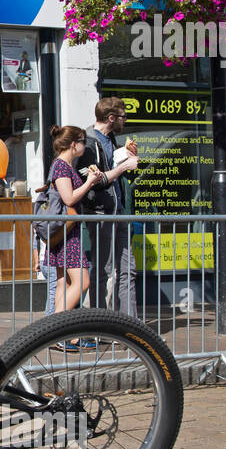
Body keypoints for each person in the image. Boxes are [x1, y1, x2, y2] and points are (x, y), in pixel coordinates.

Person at [75, 97, 140, 315]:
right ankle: (100, 322)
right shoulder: (88, 143)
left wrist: (125, 157)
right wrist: (124, 167)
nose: (126, 120)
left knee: (128, 269)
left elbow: (110, 168)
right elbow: (97, 180)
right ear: (111, 118)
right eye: (123, 116)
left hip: (118, 210)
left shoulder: (110, 138)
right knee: (103, 270)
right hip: (100, 213)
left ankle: (129, 325)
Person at [46, 125, 102, 340]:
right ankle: (54, 333)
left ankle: (63, 336)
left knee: (64, 283)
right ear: (73, 144)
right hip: (67, 233)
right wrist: (89, 182)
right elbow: (68, 198)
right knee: (82, 282)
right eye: (82, 142)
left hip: (66, 231)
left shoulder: (64, 165)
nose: (84, 146)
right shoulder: (61, 166)